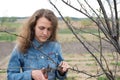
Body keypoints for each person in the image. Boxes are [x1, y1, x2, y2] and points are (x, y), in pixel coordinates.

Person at [7, 9, 70, 80]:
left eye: (49, 29)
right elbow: (11, 76)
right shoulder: (21, 46)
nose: (45, 33)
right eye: (41, 28)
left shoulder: (55, 46)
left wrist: (62, 72)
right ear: (33, 26)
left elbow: (60, 75)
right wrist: (30, 75)